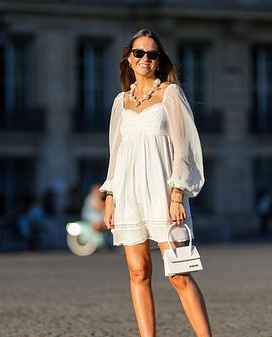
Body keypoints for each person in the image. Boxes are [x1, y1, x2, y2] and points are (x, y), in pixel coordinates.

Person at [99, 28, 211, 337]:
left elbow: (185, 148)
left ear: (159, 61)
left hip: (165, 195)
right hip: (128, 194)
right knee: (138, 272)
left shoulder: (171, 94)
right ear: (128, 59)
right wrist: (110, 195)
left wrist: (178, 193)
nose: (145, 58)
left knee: (179, 274)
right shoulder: (120, 102)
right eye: (139, 53)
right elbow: (116, 152)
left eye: (152, 54)